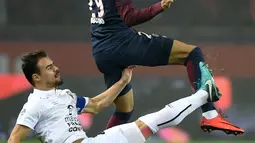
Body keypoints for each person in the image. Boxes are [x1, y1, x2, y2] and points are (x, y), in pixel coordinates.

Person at [89, 0, 244, 135]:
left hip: (101, 51)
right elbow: (128, 17)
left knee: (124, 110)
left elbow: (110, 18)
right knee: (191, 53)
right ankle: (210, 115)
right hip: (121, 43)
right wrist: (159, 7)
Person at [8, 50, 221, 143]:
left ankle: (204, 94)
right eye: (49, 68)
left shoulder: (64, 96)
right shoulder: (34, 104)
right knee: (151, 123)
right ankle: (204, 94)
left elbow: (98, 104)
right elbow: (14, 138)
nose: (56, 69)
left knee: (151, 122)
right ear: (36, 77)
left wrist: (122, 82)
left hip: (92, 142)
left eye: (53, 65)